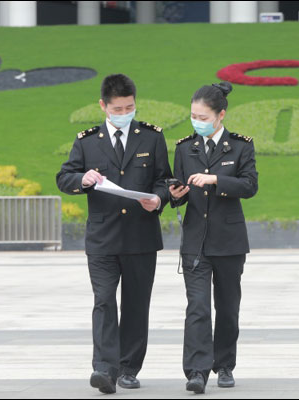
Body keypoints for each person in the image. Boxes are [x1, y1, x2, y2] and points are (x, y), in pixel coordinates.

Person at [56, 74, 172, 394]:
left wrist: (159, 198)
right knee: (104, 301)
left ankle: (129, 368)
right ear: (103, 106)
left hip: (140, 237)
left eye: (129, 107)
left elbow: (165, 179)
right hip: (103, 239)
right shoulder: (87, 140)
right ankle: (104, 368)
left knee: (136, 304)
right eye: (117, 108)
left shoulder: (151, 138)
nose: (124, 113)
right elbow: (64, 177)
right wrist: (84, 179)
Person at [169, 81, 258, 394]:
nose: (197, 121)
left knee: (228, 307)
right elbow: (178, 191)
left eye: (203, 117)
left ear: (220, 115)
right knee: (197, 307)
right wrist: (175, 195)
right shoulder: (184, 148)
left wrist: (216, 179)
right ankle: (196, 371)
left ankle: (224, 365)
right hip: (195, 241)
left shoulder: (241, 146)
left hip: (229, 240)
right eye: (193, 115)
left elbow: (249, 186)